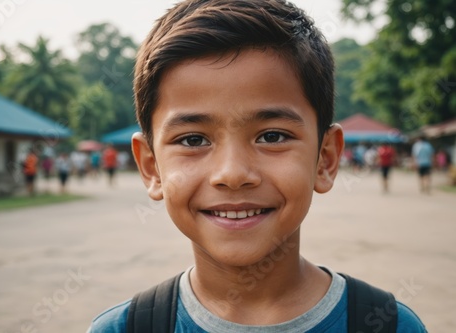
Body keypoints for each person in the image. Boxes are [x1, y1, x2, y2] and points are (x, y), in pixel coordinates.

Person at [88, 1, 427, 332]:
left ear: (325, 159)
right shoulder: (121, 328)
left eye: (272, 136)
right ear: (151, 167)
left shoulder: (390, 324)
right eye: (193, 140)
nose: (233, 174)